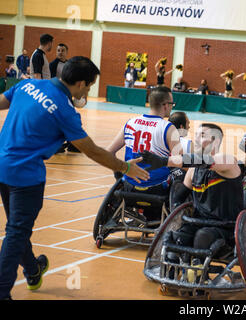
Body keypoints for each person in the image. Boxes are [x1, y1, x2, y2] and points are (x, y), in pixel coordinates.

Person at [0, 56, 149, 300]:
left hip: (2, 165)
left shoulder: (28, 85)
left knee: (17, 228)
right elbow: (90, 150)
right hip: (26, 176)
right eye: (89, 86)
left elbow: (1, 102)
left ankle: (33, 270)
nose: (88, 91)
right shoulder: (65, 110)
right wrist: (125, 167)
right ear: (81, 83)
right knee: (16, 232)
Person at [141, 123, 244, 265]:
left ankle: (198, 275)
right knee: (175, 237)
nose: (195, 139)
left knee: (202, 237)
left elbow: (206, 162)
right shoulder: (193, 171)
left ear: (216, 141)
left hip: (225, 227)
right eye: (195, 135)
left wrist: (165, 161)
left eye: (202, 136)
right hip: (198, 222)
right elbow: (179, 198)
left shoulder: (227, 160)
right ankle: (172, 269)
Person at [106, 86, 182, 219]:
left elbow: (108, 153)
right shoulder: (168, 128)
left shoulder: (130, 123)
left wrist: (119, 172)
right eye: (171, 104)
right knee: (185, 173)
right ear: (165, 105)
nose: (172, 107)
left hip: (130, 185)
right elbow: (180, 161)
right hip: (158, 188)